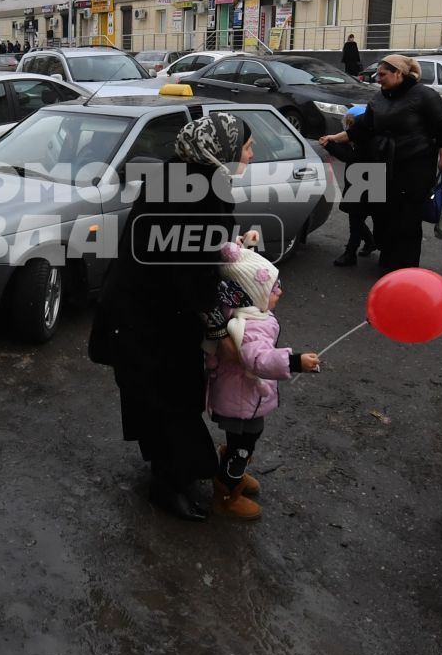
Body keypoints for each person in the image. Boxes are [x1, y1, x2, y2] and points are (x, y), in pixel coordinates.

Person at [91, 114, 248, 521]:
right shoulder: (198, 191)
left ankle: (170, 470)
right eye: (246, 147)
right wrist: (219, 328)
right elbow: (189, 270)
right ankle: (168, 485)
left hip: (143, 305)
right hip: (151, 315)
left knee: (156, 395)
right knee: (170, 399)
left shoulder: (178, 174)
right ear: (221, 150)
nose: (249, 155)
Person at [204, 244, 323, 520]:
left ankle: (234, 467)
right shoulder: (252, 325)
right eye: (272, 289)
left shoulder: (242, 310)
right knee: (244, 442)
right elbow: (258, 360)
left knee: (246, 437)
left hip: (241, 396)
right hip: (242, 399)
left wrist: (243, 247)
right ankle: (226, 491)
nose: (279, 292)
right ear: (254, 295)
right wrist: (295, 362)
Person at [320, 54, 442, 273]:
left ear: (398, 73)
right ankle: (388, 261)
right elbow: (362, 130)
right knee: (384, 217)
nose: (377, 78)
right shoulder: (379, 99)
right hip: (384, 166)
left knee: (408, 220)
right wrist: (335, 138)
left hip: (415, 168)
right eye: (377, 74)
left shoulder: (424, 95)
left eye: (382, 74)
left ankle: (406, 269)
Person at [324, 103, 378, 267]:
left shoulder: (363, 142)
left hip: (361, 180)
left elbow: (350, 158)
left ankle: (351, 252)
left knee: (355, 217)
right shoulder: (372, 136)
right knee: (360, 216)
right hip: (371, 178)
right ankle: (370, 242)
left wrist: (329, 144)